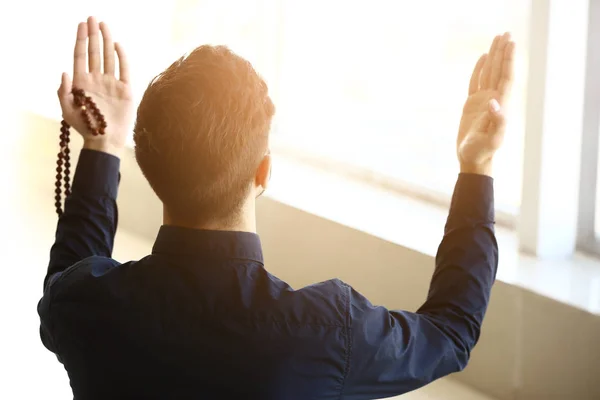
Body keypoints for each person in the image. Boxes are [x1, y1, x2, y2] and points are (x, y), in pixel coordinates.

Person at [38, 16, 514, 400]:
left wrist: (102, 146)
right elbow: (451, 333)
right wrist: (477, 165)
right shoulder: (325, 330)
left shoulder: (83, 306)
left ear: (150, 171)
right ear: (263, 172)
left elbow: (70, 273)